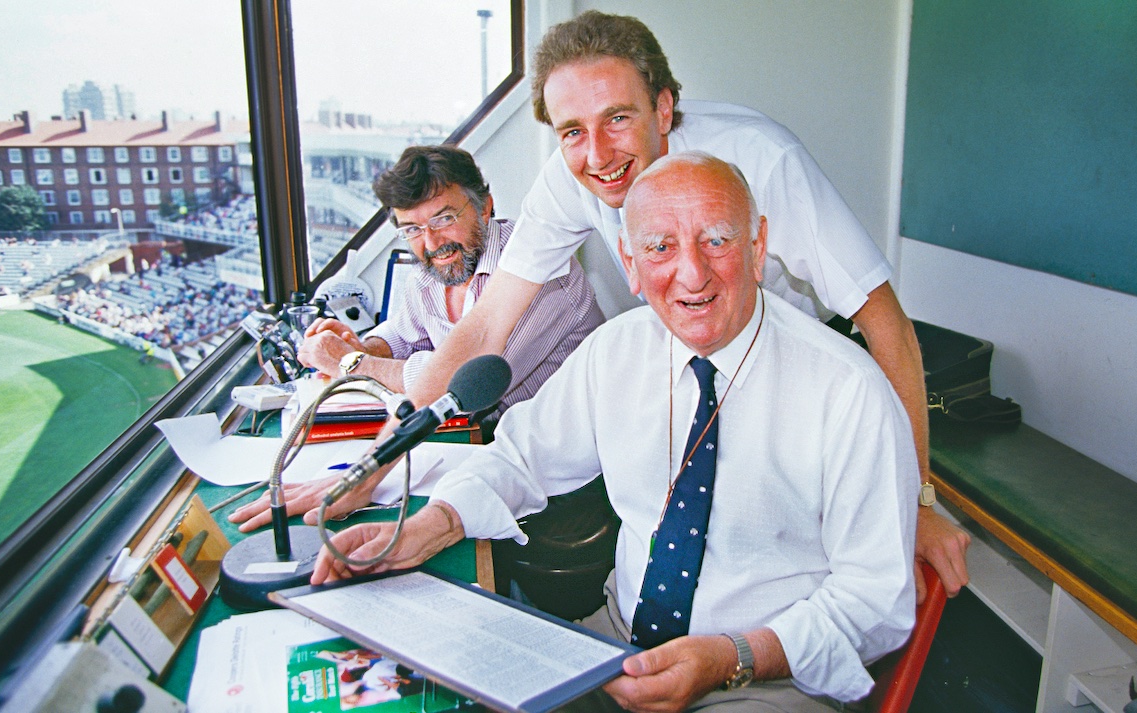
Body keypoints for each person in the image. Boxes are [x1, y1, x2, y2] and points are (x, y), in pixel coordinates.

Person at [398, 10, 969, 602]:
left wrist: (918, 500)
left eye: (618, 118)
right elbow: (488, 321)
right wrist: (393, 446)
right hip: (683, 353)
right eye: (572, 131)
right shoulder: (575, 173)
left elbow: (886, 324)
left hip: (784, 365)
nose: (596, 154)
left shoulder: (762, 159)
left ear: (663, 109)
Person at [314, 153, 917, 711]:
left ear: (757, 247)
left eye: (717, 239)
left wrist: (733, 657)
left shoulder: (849, 390)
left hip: (763, 673)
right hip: (617, 640)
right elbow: (521, 458)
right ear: (629, 263)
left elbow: (877, 602)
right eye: (659, 247)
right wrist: (426, 527)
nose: (691, 274)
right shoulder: (616, 353)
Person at [228, 145, 604, 532]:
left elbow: (463, 385)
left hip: (559, 474)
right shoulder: (434, 267)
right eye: (412, 230)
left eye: (443, 218)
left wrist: (349, 363)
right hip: (481, 442)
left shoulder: (542, 275)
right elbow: (402, 333)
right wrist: (363, 346)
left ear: (485, 207)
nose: (430, 242)